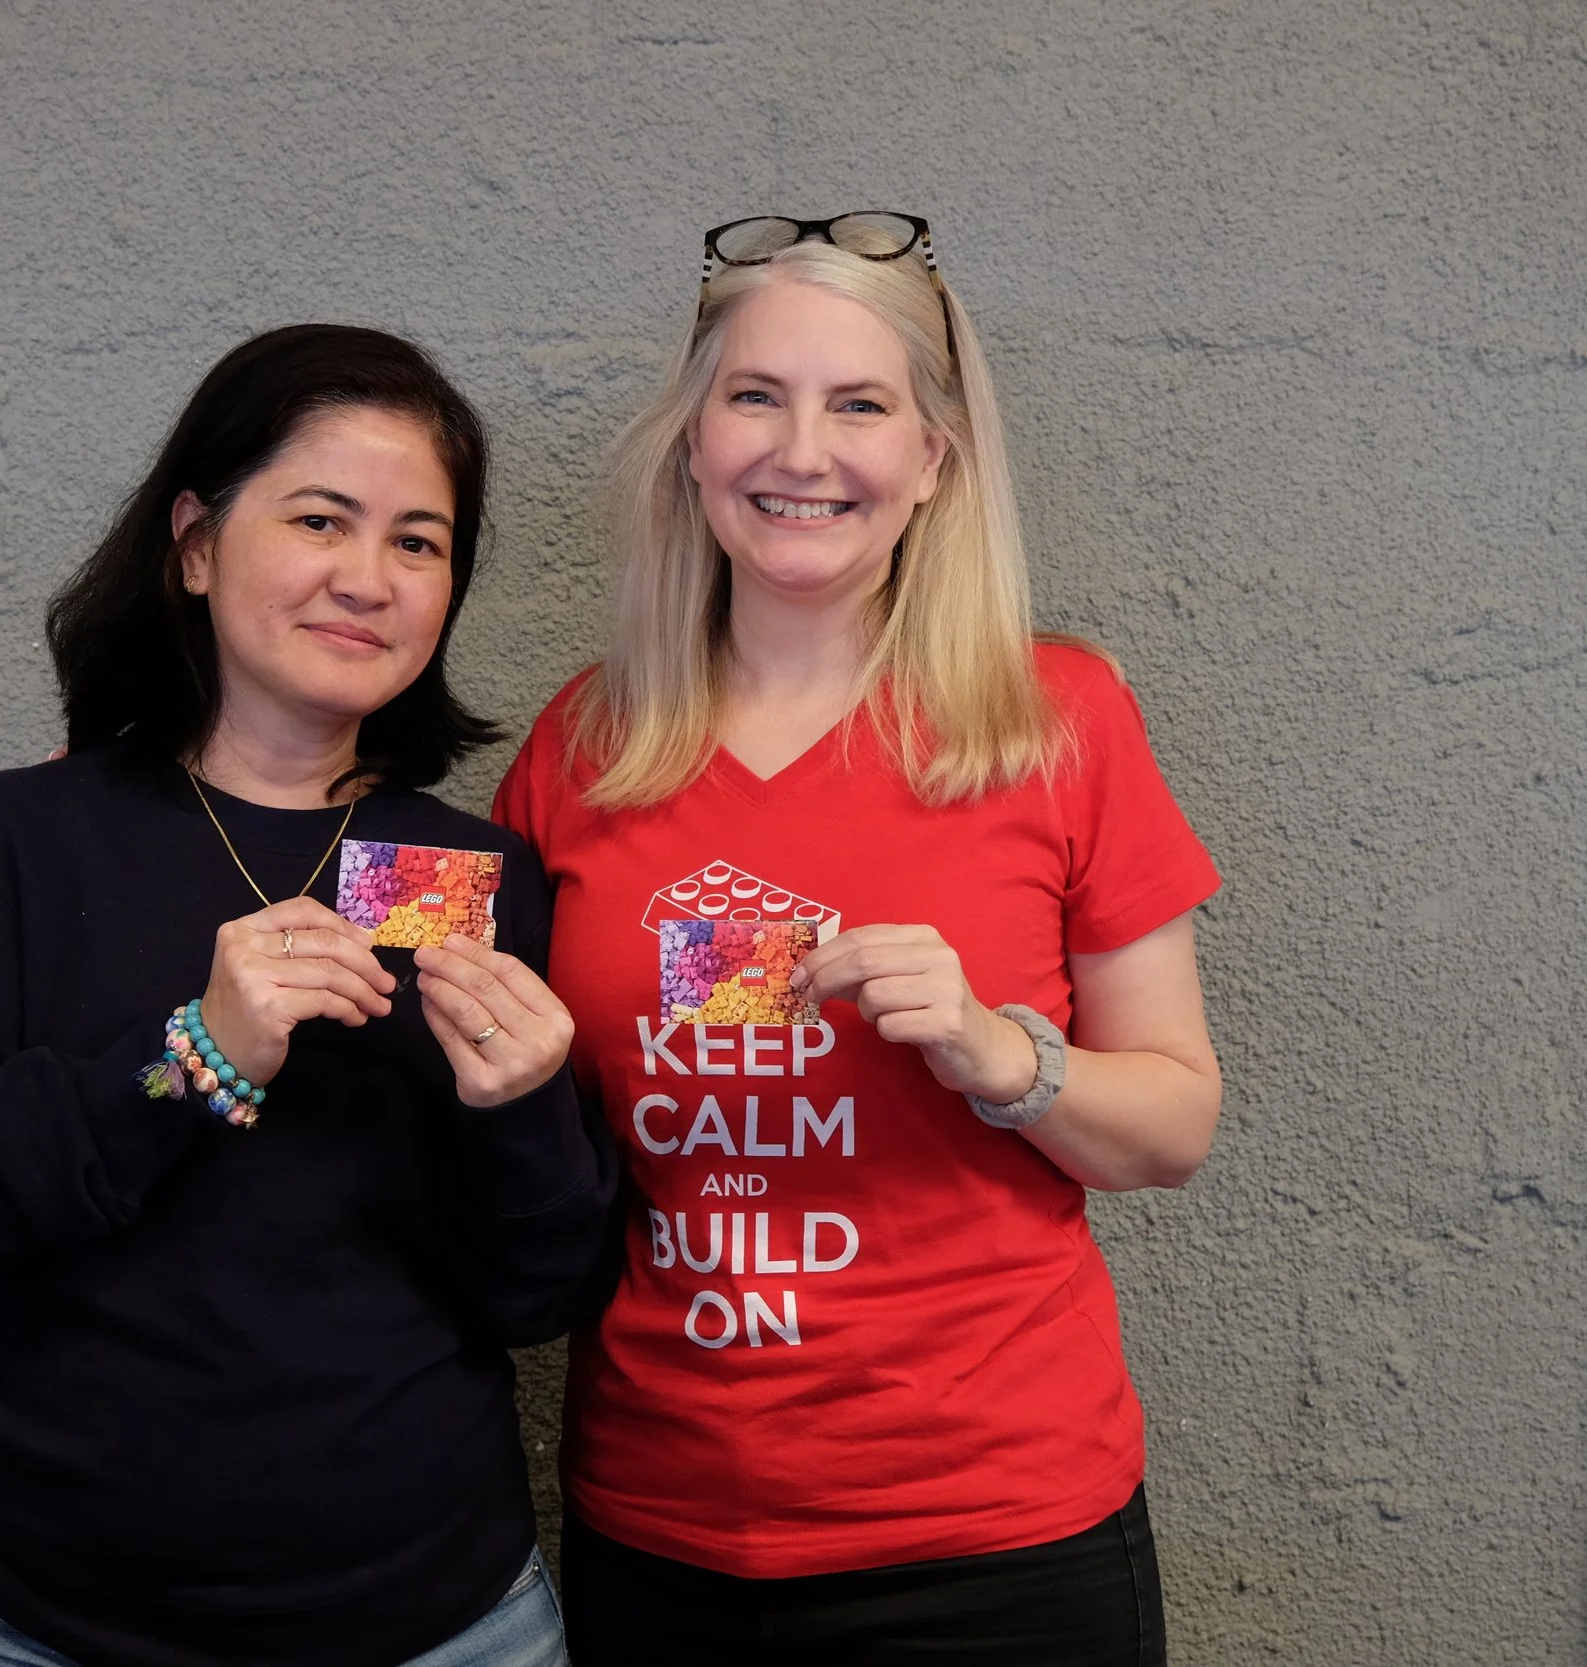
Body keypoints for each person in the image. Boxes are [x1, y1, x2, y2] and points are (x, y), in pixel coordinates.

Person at [491, 215, 1222, 1665]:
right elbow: (529, 1136)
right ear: (693, 441)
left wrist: (1000, 1055)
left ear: (936, 458)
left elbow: (1174, 1124)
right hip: (663, 1525)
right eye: (756, 396)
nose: (802, 451)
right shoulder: (584, 746)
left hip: (998, 1542)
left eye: (862, 405)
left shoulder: (1056, 720)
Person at [0, 323, 617, 1667]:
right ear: (195, 544)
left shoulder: (473, 873)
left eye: (419, 542)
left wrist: (526, 1113)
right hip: (41, 1619)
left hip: (444, 1622)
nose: (367, 578)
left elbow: (533, 1295)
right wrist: (193, 1057)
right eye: (321, 520)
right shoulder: (3, 844)